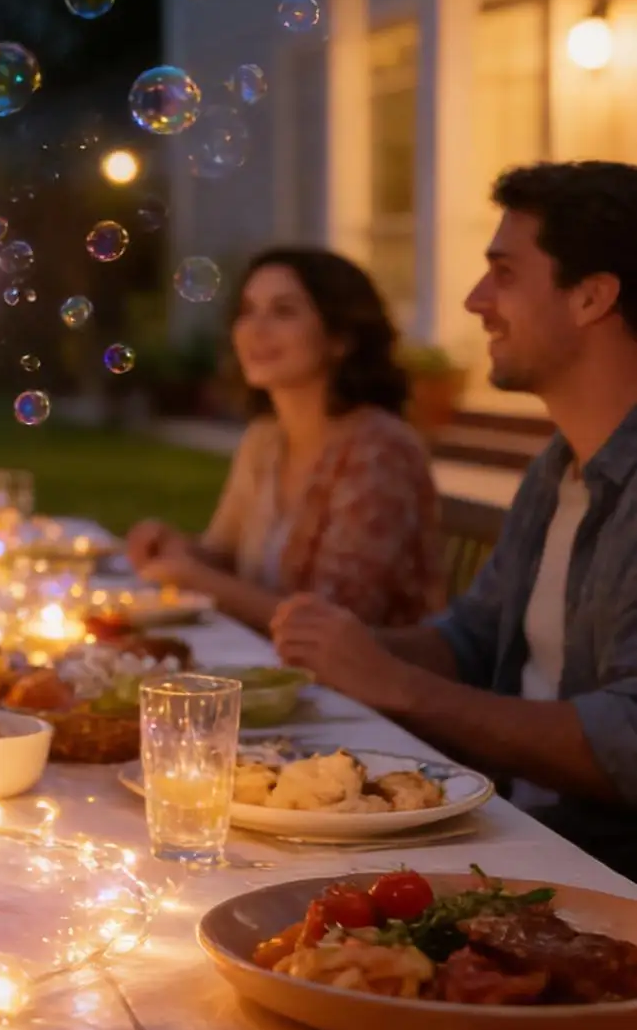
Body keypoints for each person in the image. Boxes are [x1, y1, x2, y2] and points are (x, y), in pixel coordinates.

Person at [274, 162, 637, 855]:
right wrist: (343, 646)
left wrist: (398, 685)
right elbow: (470, 639)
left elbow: (625, 740)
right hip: (510, 828)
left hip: (594, 872)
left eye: (502, 273)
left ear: (590, 297)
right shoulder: (556, 467)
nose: (474, 300)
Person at [126, 247, 440, 632]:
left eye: (283, 311)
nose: (255, 331)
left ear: (341, 338)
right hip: (272, 669)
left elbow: (341, 622)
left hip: (363, 688)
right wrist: (173, 548)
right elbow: (223, 556)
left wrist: (196, 580)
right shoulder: (264, 440)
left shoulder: (381, 450)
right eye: (247, 311)